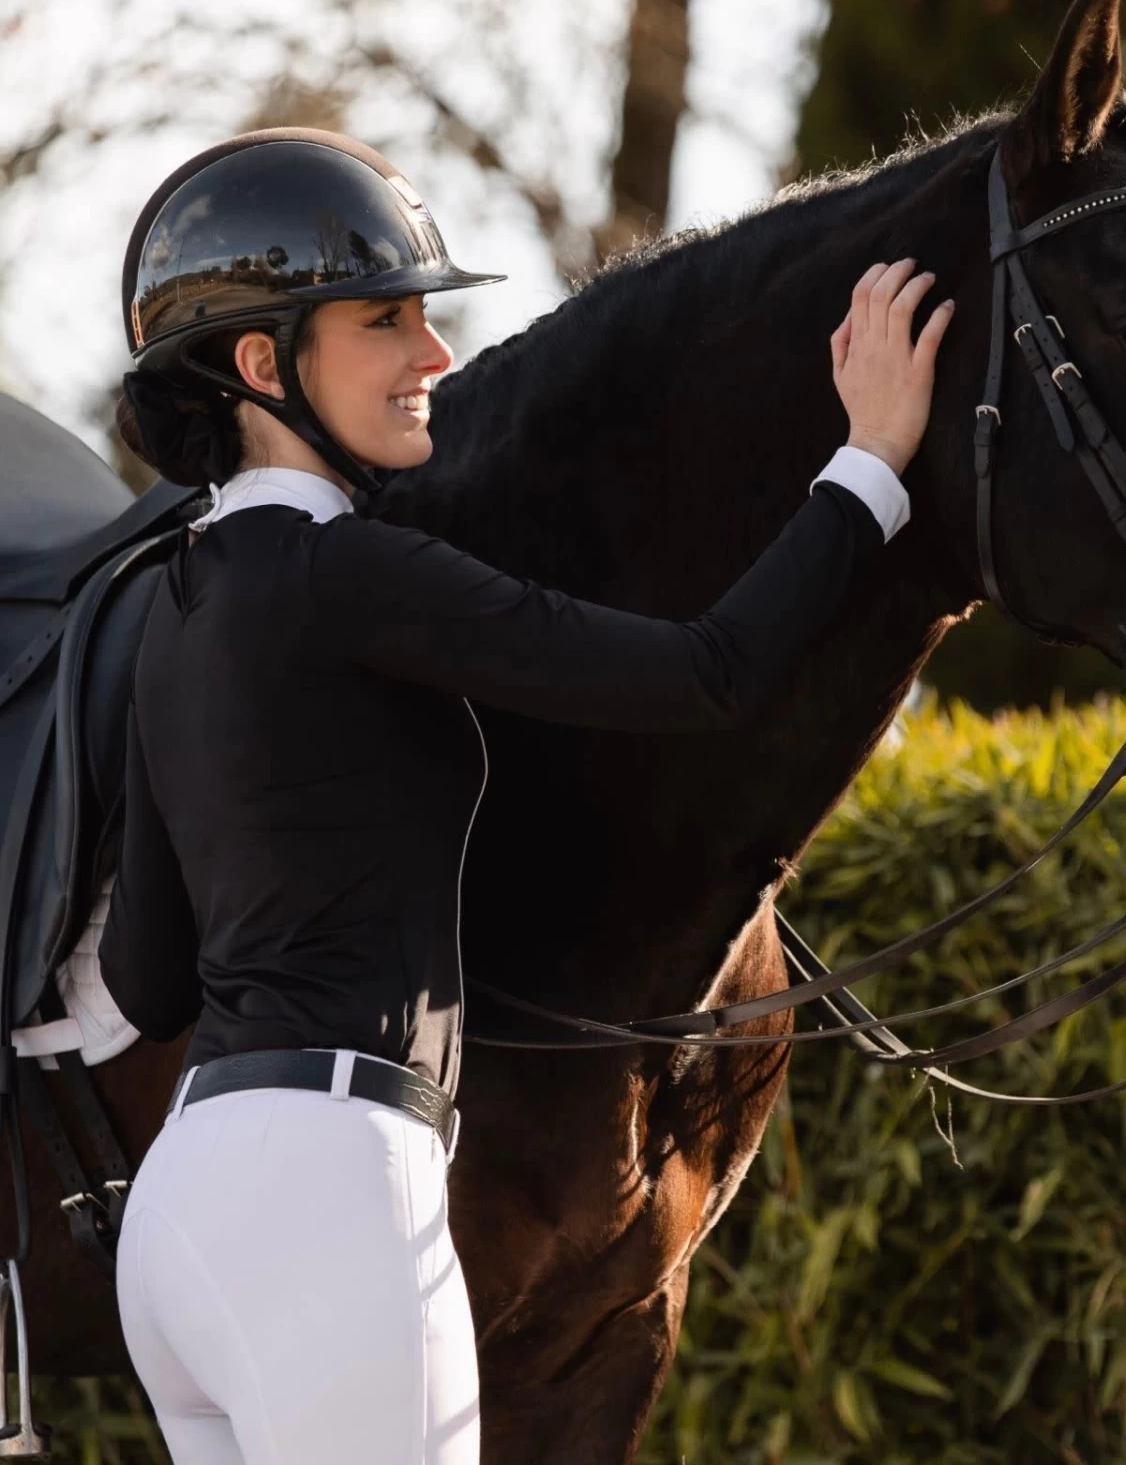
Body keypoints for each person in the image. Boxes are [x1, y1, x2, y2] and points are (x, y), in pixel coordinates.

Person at [98, 127, 953, 1465]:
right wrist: (874, 463)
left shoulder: (168, 612)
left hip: (183, 1214)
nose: (434, 355)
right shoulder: (359, 576)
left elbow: (150, 982)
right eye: (384, 320)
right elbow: (711, 673)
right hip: (334, 1199)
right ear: (262, 365)